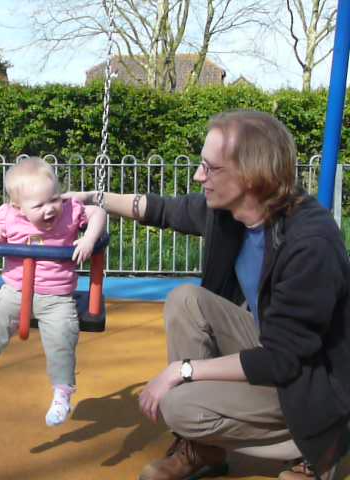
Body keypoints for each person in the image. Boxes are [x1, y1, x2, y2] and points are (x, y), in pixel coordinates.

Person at [66, 110, 350, 480]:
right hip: (274, 348)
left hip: (315, 381)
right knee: (186, 300)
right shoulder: (231, 212)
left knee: (178, 405)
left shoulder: (310, 243)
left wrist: (182, 371)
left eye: (210, 168)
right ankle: (204, 449)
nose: (199, 176)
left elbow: (283, 360)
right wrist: (91, 197)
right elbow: (159, 209)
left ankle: (316, 446)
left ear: (250, 177)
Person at [0, 156, 106, 427]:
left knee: (63, 339)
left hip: (57, 298)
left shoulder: (70, 211)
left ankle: (62, 394)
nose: (50, 209)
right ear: (19, 207)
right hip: (14, 292)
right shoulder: (9, 215)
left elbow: (98, 213)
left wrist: (88, 238)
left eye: (54, 199)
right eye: (39, 205)